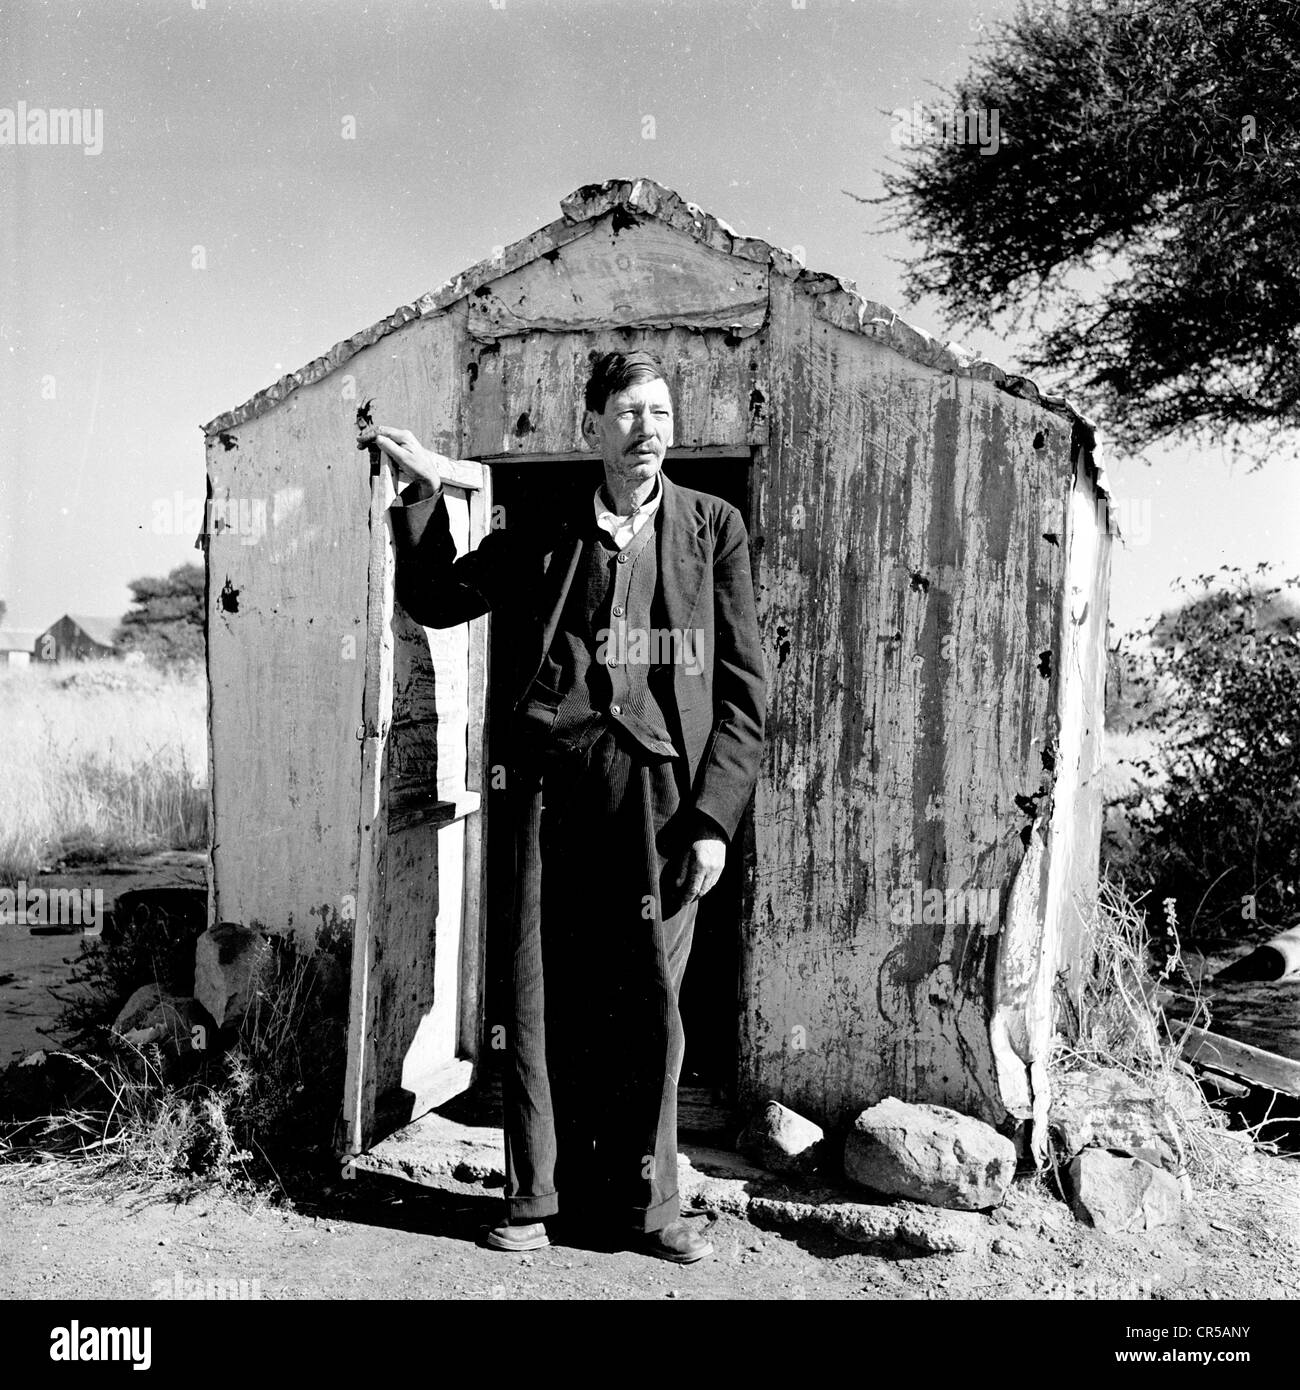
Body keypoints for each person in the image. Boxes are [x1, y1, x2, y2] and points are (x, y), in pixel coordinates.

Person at [371, 350, 766, 1263]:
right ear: (593, 427)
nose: (648, 432)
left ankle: (649, 1209)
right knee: (540, 988)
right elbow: (438, 597)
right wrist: (423, 490)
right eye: (629, 413)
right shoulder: (548, 528)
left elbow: (746, 691)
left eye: (661, 414)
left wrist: (713, 819)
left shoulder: (715, 529)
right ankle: (533, 1201)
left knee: (653, 999)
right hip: (550, 787)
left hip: (661, 797)